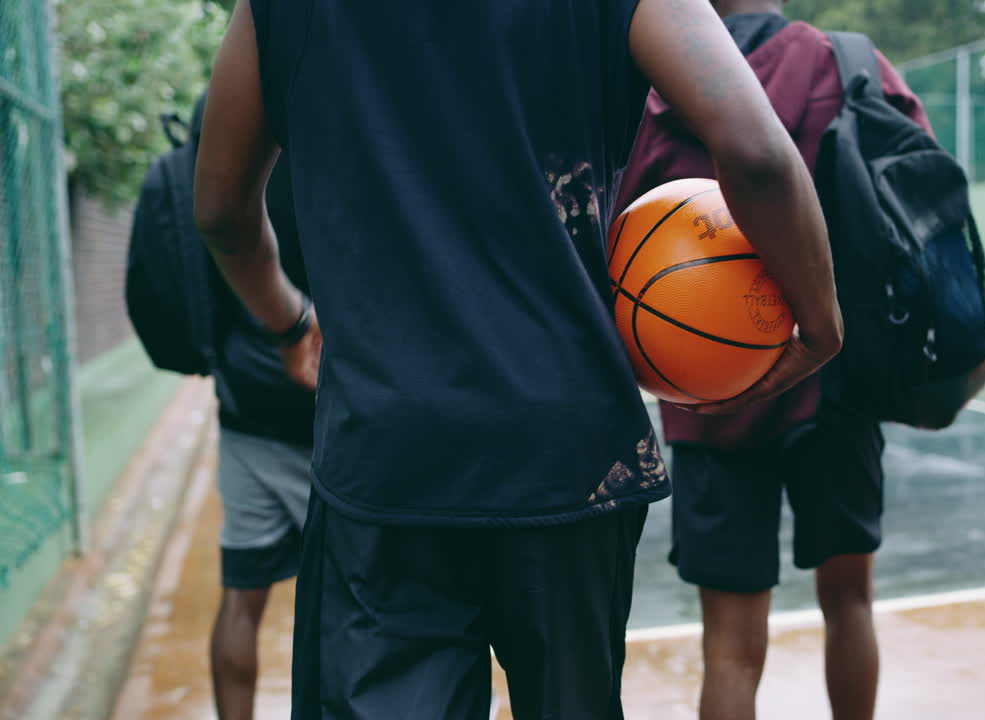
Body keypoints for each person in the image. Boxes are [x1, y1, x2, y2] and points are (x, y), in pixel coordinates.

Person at [193, 0, 843, 716]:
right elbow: (755, 153)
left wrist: (289, 323)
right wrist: (819, 323)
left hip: (387, 449)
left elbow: (221, 208)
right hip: (572, 447)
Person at [614, 2, 935, 718]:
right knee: (850, 602)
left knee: (729, 644)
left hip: (707, 397)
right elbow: (914, 195)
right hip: (833, 385)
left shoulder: (657, 90)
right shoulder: (844, 63)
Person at [164, 91, 317, 720]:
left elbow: (222, 226)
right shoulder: (328, 100)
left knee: (241, 597)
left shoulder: (217, 112)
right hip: (333, 396)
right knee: (363, 601)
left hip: (247, 401)